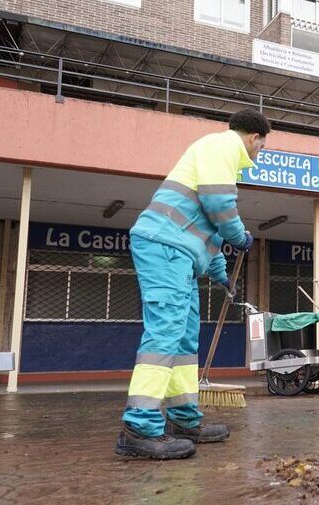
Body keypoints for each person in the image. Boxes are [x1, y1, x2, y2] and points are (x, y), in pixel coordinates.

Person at [115, 109, 270, 459]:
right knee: (165, 333)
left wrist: (221, 275)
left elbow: (208, 231)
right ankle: (138, 427)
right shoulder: (223, 146)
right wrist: (240, 235)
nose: (260, 154)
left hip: (180, 254)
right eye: (262, 147)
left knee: (184, 340)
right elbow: (219, 204)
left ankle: (185, 420)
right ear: (254, 138)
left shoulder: (218, 156)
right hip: (164, 245)